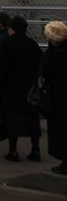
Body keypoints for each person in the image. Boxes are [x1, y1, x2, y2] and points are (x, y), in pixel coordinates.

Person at [0, 15, 41, 162]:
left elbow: (0, 69)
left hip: (11, 89)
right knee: (32, 119)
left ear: (12, 29)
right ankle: (35, 149)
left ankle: (13, 151)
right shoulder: (33, 45)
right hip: (30, 90)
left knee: (12, 119)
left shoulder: (6, 45)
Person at [42, 20, 67, 175]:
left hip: (59, 98)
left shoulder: (55, 55)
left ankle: (65, 162)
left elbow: (46, 70)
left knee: (61, 131)